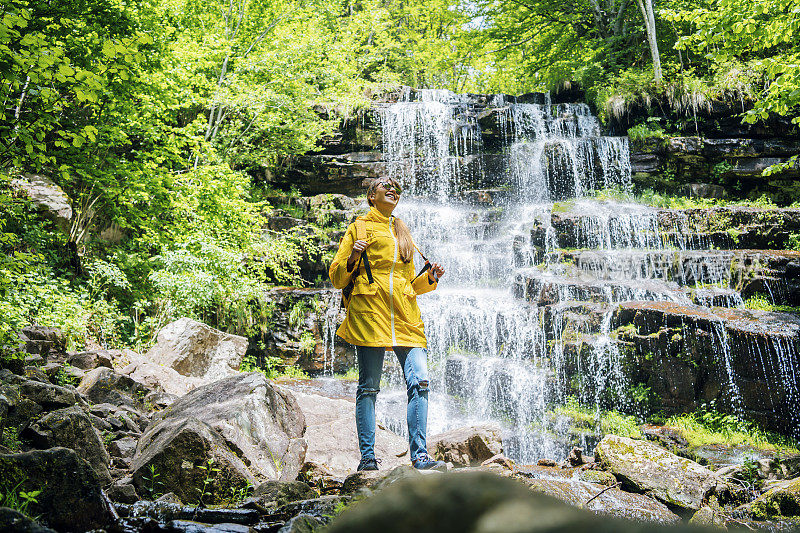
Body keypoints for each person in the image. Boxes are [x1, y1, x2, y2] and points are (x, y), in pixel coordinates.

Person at [328, 177, 447, 471]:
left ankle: (419, 456)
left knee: (420, 382)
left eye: (397, 188)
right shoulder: (358, 228)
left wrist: (430, 277)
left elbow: (409, 284)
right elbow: (337, 279)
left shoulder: (401, 230)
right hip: (371, 313)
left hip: (405, 315)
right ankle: (368, 458)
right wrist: (355, 254)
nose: (392, 189)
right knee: (368, 387)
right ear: (371, 196)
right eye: (385, 186)